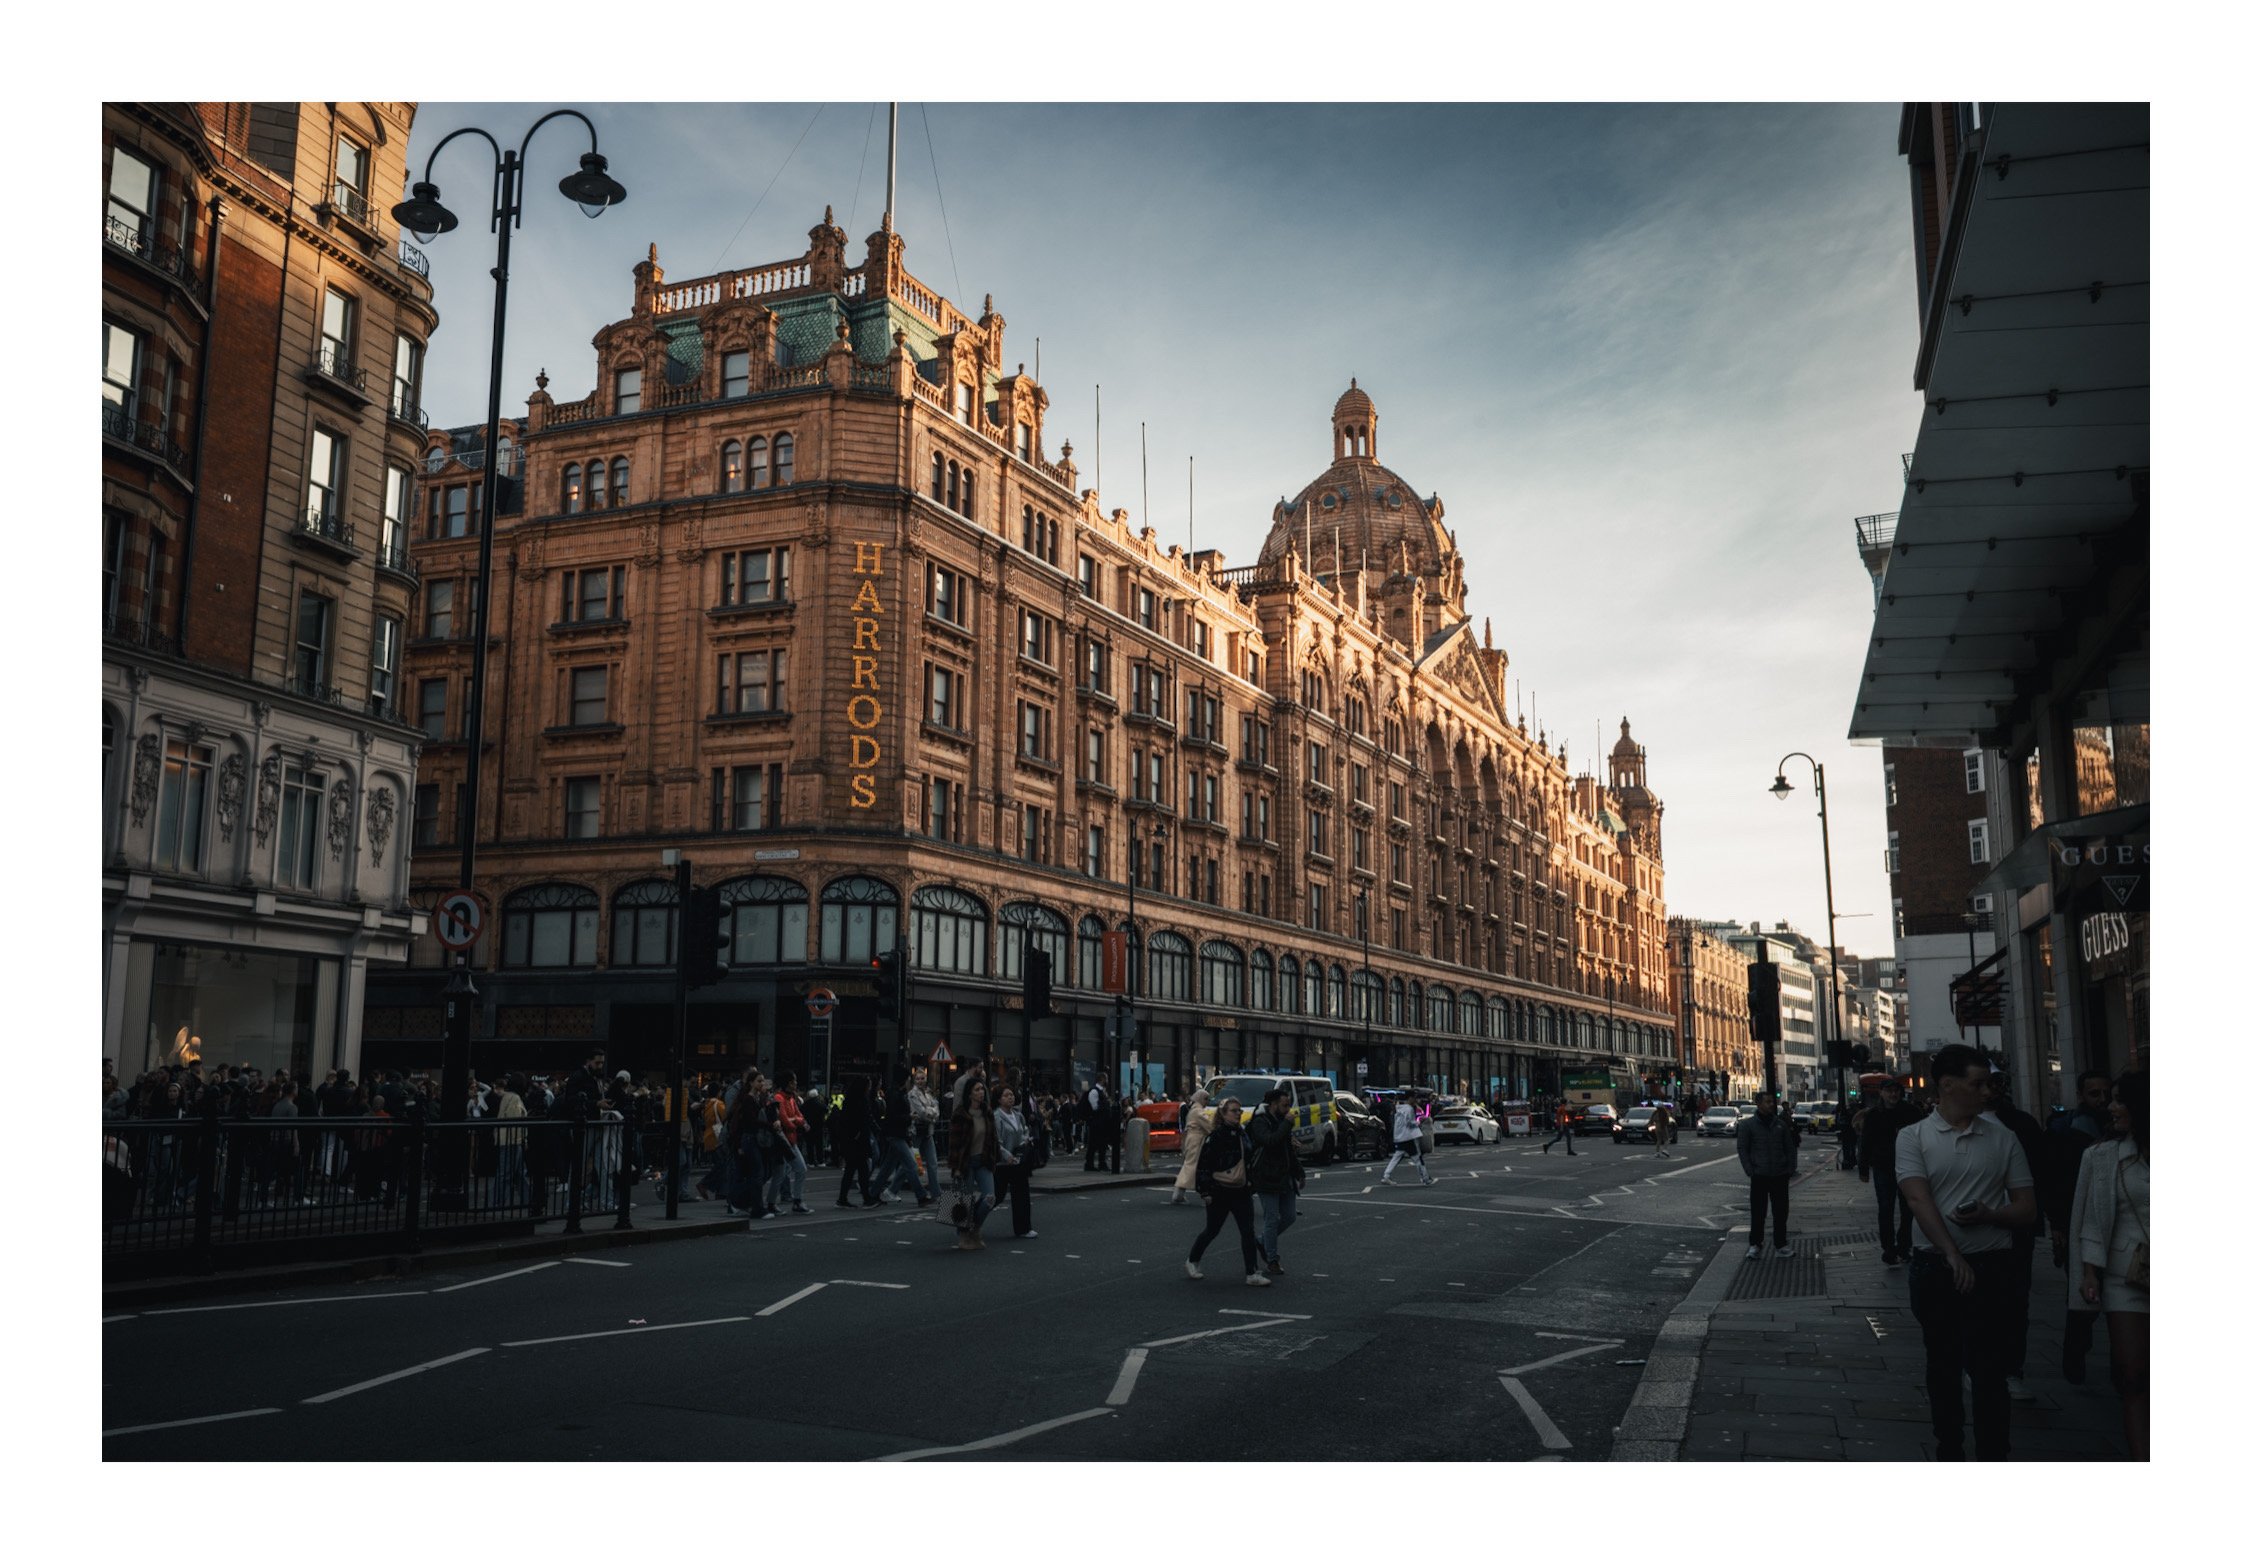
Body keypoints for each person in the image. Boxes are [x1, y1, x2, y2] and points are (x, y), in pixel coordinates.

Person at [1895, 1043, 2038, 1462]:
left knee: (1990, 1372)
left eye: (1989, 1084)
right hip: (1935, 1268)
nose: (1987, 1092)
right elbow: (1918, 1200)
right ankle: (1950, 1451)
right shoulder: (1913, 1137)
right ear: (1947, 1086)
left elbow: (2027, 1207)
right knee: (1942, 1366)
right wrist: (1952, 1254)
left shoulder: (2003, 1137)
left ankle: (1994, 1455)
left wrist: (1990, 1214)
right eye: (1978, 1084)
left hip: (1993, 1267)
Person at [2068, 1069, 2147, 1461]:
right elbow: (2091, 1220)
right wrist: (2088, 1272)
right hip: (2124, 1278)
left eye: (2119, 1100)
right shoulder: (2101, 1157)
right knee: (2132, 1375)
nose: (2111, 1107)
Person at [1981, 1070, 2048, 1402]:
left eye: (1994, 1083)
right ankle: (1977, 1363)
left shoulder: (2021, 1124)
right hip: (1973, 1230)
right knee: (1977, 1301)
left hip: (2017, 1226)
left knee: (2015, 1300)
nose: (1990, 1089)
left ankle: (2011, 1369)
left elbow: (2042, 1173)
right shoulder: (1958, 1125)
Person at [2044, 1069, 2112, 1383]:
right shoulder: (2068, 1131)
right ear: (2082, 1096)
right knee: (2082, 1295)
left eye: (2105, 1093)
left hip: (2114, 1226)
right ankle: (2075, 1354)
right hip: (2079, 1225)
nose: (2102, 1100)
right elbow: (2056, 1182)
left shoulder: (2121, 1128)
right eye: (2094, 1093)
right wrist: (2058, 1225)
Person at [1185, 1097, 1266, 1286]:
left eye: (1239, 1110)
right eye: (1233, 1110)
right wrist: (1205, 1191)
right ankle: (1192, 1260)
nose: (1238, 1113)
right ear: (1223, 1114)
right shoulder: (1217, 1136)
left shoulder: (1242, 1132)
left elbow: (1250, 1158)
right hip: (1220, 1190)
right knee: (1212, 1230)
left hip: (1241, 1190)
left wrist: (1251, 1183)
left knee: (1247, 1231)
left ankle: (1252, 1273)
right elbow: (1204, 1164)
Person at [1857, 1078, 1920, 1265]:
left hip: (1908, 1166)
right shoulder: (1874, 1115)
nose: (1893, 1095)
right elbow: (1866, 1142)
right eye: (1889, 1091)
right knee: (1885, 1208)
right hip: (1883, 1167)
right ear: (1882, 1093)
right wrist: (1863, 1168)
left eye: (1896, 1091)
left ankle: (1904, 1245)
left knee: (1908, 1209)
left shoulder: (1911, 1112)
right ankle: (1888, 1248)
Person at [1246, 1087, 1304, 1278]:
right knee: (1271, 1219)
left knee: (1289, 1216)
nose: (1288, 1109)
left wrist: (1299, 1173)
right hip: (1266, 1176)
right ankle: (1272, 1259)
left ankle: (1262, 1241)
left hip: (1284, 1176)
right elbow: (1269, 1141)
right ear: (1273, 1104)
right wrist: (1286, 1125)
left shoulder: (1281, 1120)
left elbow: (1287, 1149)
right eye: (1285, 1105)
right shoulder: (1260, 1121)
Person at [1736, 1091, 1799, 1258]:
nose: (1771, 1104)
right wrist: (1750, 1170)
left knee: (1781, 1212)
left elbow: (1790, 1148)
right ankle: (1755, 1244)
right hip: (1759, 1175)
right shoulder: (1748, 1125)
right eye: (1767, 1101)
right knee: (1758, 1212)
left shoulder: (1780, 1124)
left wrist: (1790, 1168)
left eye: (1772, 1101)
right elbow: (1743, 1149)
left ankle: (1781, 1244)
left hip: (1779, 1174)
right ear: (1758, 1104)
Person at [948, 1079, 999, 1251]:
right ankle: (964, 1235)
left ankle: (975, 1227)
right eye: (977, 1089)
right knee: (965, 1201)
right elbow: (954, 1143)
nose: (981, 1092)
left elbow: (993, 1139)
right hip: (966, 1163)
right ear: (970, 1093)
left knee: (990, 1198)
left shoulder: (987, 1112)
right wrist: (955, 1168)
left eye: (982, 1089)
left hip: (983, 1160)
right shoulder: (961, 1114)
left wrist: (1000, 1157)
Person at [991, 1084, 1038, 1239]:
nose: (1010, 1097)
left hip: (1018, 1161)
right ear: (999, 1099)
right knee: (996, 1196)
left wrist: (1025, 1143)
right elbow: (996, 1142)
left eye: (1011, 1094)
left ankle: (1024, 1228)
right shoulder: (996, 1117)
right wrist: (1006, 1155)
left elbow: (1024, 1131)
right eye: (1006, 1095)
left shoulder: (1018, 1115)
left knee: (1022, 1194)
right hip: (1003, 1163)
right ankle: (973, 1220)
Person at [834, 1079, 882, 1208]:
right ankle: (866, 1198)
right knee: (862, 1169)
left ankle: (843, 1198)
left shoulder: (850, 1101)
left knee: (852, 1170)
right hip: (858, 1141)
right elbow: (863, 1120)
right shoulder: (861, 1101)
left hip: (852, 1140)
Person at [769, 1073, 812, 1215]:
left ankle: (793, 1200)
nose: (795, 1085)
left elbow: (797, 1117)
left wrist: (795, 1120)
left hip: (790, 1141)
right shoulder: (779, 1098)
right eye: (794, 1082)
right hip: (783, 1141)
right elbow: (786, 1121)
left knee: (795, 1170)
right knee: (781, 1173)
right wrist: (798, 1122)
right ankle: (774, 1203)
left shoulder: (790, 1098)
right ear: (788, 1083)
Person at [906, 1064, 942, 1207]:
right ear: (915, 1081)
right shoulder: (912, 1094)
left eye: (923, 1078)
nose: (920, 1081)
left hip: (928, 1132)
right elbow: (921, 1112)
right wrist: (932, 1113)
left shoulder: (928, 1093)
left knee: (933, 1164)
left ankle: (936, 1193)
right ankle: (892, 1188)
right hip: (916, 1132)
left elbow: (936, 1110)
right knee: (914, 1164)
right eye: (918, 1079)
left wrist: (931, 1114)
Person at [1169, 1089, 1213, 1205]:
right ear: (1201, 1098)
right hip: (1196, 1139)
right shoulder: (1198, 1111)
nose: (1207, 1102)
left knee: (1190, 1164)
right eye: (1206, 1099)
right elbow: (1209, 1126)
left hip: (1192, 1138)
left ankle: (1179, 1193)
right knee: (1191, 1165)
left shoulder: (1194, 1109)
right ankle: (1179, 1194)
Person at [1381, 1093, 1434, 1186]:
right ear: (1410, 1098)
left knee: (1396, 1157)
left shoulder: (1398, 1108)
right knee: (1417, 1158)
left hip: (1399, 1136)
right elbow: (1409, 1122)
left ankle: (1386, 1176)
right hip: (1409, 1137)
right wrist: (1418, 1122)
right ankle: (1426, 1178)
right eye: (1414, 1098)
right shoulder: (1409, 1109)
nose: (1416, 1101)